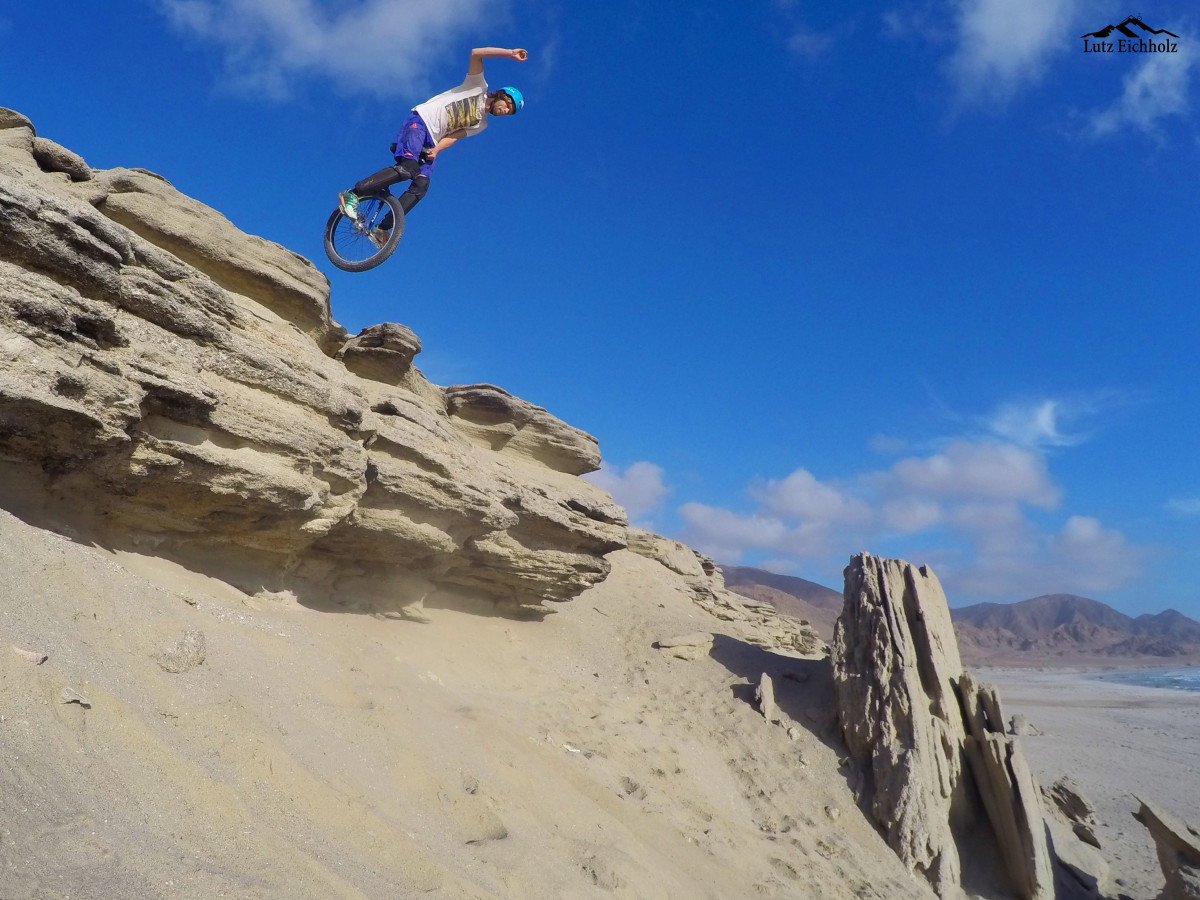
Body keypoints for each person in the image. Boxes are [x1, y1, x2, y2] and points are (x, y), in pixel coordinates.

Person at [337, 46, 527, 238]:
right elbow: (476, 53)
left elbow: (453, 137)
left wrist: (436, 150)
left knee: (421, 186)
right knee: (408, 169)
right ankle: (352, 194)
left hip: (432, 141)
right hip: (420, 122)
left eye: (509, 112)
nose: (505, 111)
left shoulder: (481, 124)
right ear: (502, 95)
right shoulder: (477, 86)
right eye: (507, 105)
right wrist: (510, 53)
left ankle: (382, 229)